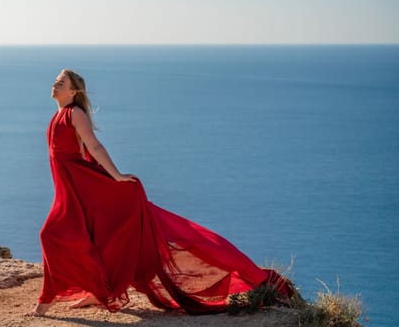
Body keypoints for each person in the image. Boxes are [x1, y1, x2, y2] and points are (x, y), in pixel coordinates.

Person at [26, 69, 292, 317]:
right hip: (73, 192)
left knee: (50, 234)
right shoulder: (57, 117)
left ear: (73, 92)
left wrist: (116, 176)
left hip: (88, 190)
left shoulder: (74, 114)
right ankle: (97, 292)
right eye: (56, 81)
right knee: (90, 239)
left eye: (62, 82)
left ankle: (47, 300)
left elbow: (94, 148)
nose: (55, 84)